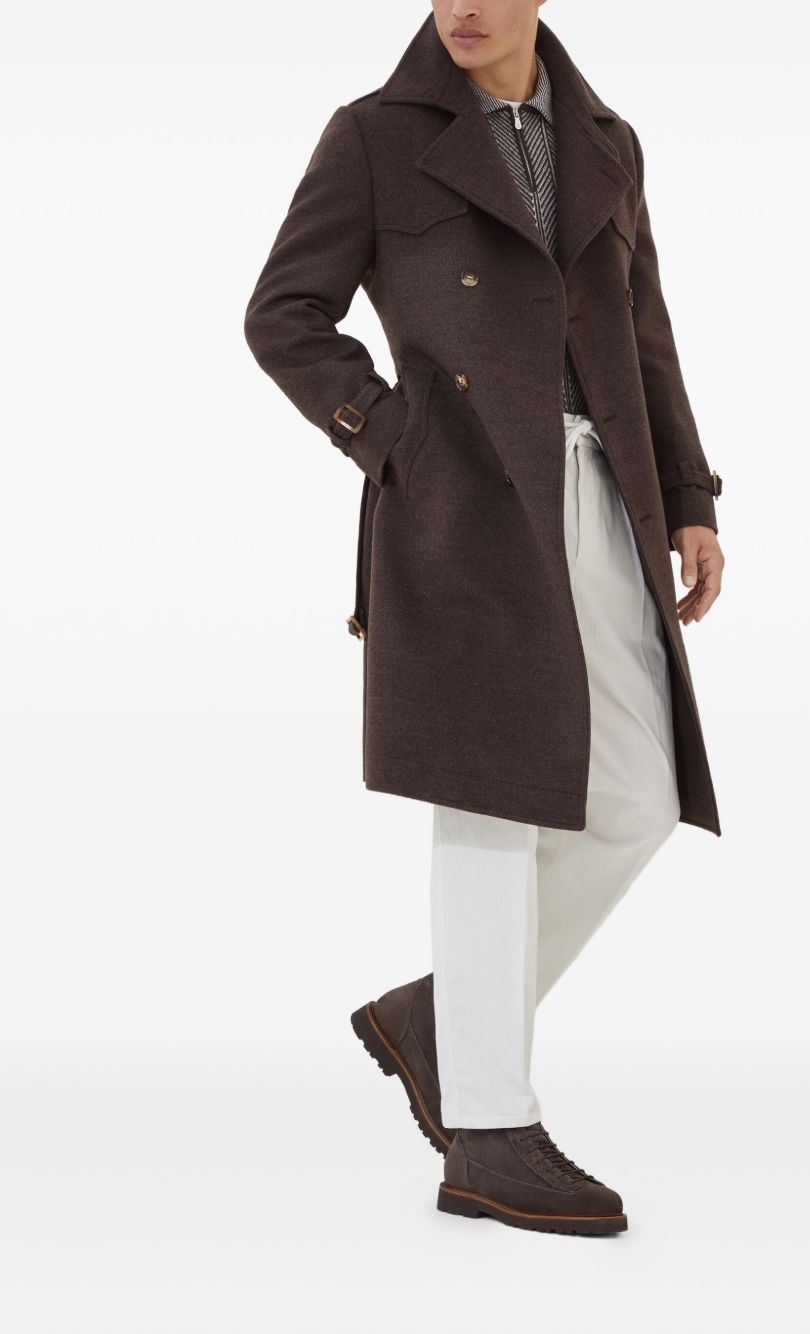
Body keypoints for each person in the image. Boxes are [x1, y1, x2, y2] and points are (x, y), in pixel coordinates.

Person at [244, 0, 725, 1237]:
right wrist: (392, 438)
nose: (463, 7)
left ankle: (435, 1019)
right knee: (490, 798)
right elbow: (283, 313)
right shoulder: (374, 134)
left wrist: (687, 493)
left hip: (600, 486)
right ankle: (491, 1129)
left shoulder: (606, 142)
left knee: (636, 792)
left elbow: (644, 331)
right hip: (461, 501)